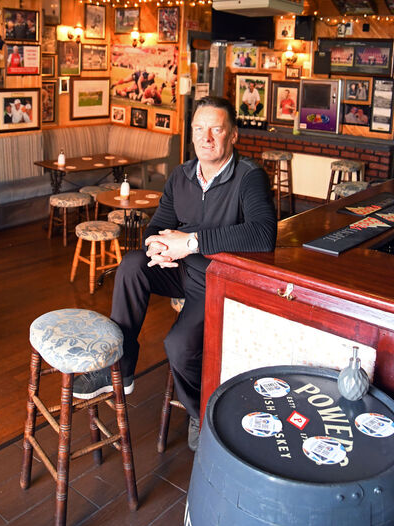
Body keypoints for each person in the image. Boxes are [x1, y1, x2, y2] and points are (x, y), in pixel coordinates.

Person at [72, 96, 277, 451]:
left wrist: (191, 242)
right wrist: (156, 246)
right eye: (199, 129)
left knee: (178, 345)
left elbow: (263, 234)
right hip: (181, 270)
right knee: (133, 264)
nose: (206, 137)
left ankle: (202, 414)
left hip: (217, 282)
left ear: (234, 135)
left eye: (216, 129)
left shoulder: (249, 178)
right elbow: (160, 223)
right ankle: (123, 364)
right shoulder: (181, 175)